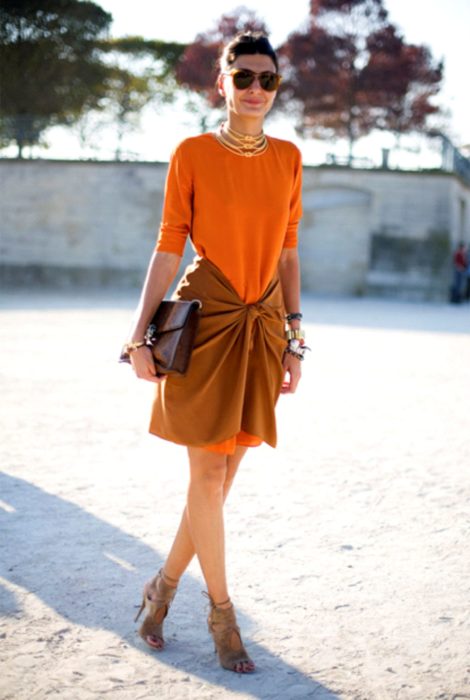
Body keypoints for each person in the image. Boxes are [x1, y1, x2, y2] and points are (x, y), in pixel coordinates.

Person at [123, 31, 304, 674]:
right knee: (205, 476)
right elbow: (169, 245)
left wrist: (295, 339)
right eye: (244, 76)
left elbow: (287, 254)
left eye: (268, 79)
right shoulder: (191, 152)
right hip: (206, 323)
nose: (256, 88)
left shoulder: (289, 158)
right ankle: (222, 616)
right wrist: (139, 334)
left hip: (262, 329)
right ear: (221, 83)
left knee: (221, 483)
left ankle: (161, 589)